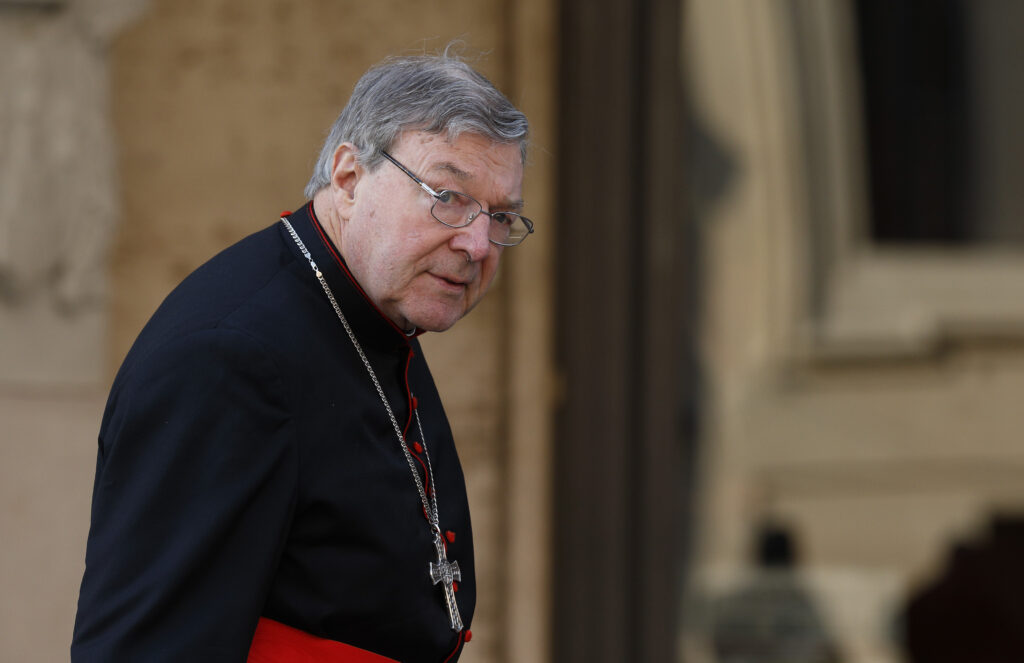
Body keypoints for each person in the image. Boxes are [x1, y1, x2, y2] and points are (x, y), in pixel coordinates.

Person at [71, 50, 533, 663]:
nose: (476, 244)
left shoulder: (380, 310)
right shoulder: (226, 359)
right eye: (447, 196)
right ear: (349, 178)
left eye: (500, 216)